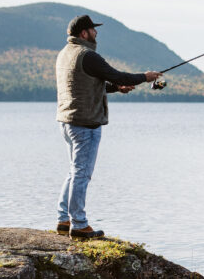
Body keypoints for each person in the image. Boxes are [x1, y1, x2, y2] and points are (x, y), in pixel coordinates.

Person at [55, 14, 161, 239]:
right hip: (85, 124)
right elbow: (115, 74)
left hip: (67, 122)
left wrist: (116, 88)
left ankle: (63, 219)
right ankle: (79, 224)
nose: (96, 33)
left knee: (74, 171)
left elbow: (86, 84)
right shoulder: (87, 55)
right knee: (81, 173)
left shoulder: (65, 54)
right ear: (83, 33)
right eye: (93, 30)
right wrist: (144, 76)